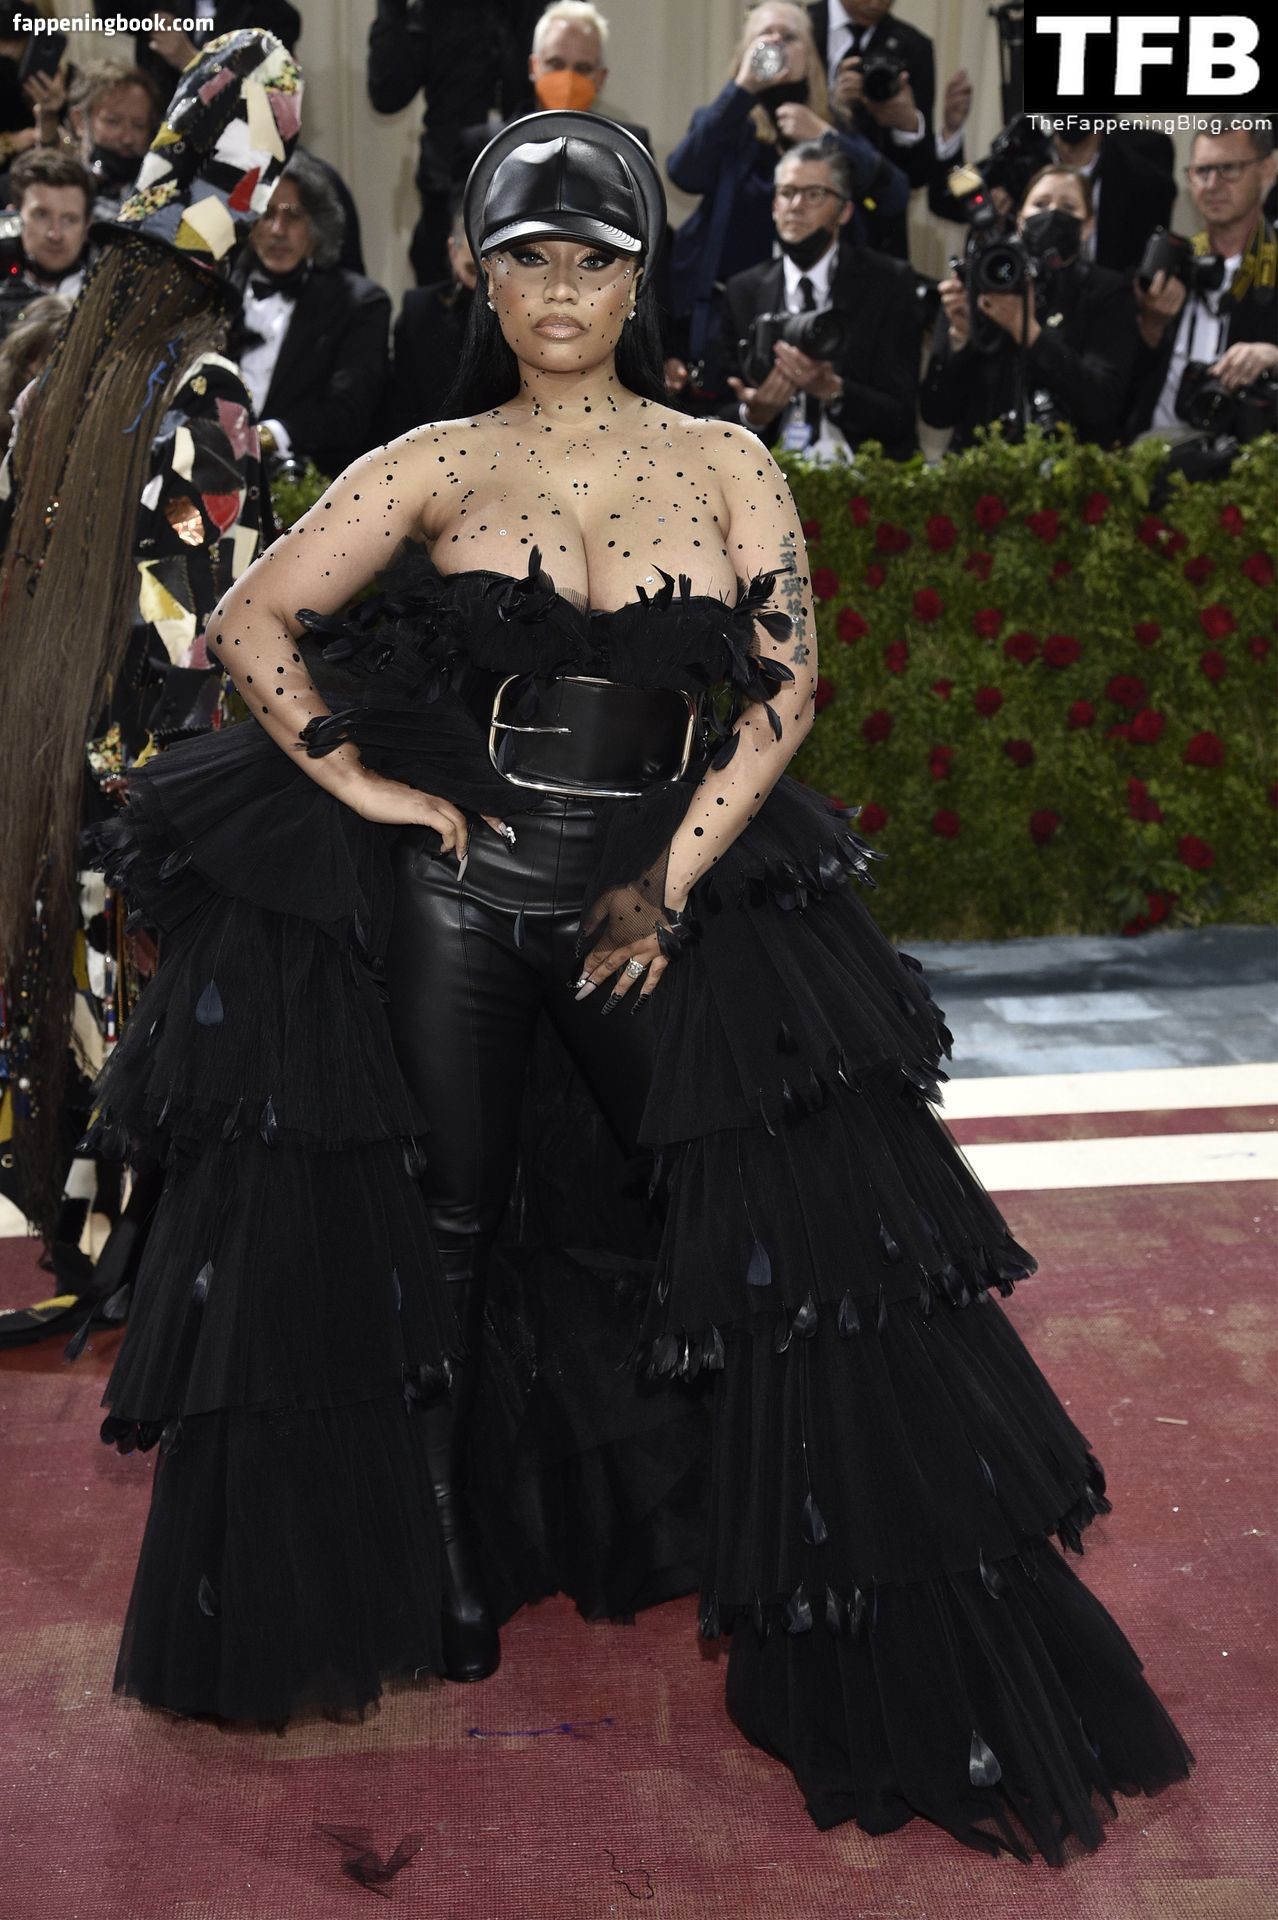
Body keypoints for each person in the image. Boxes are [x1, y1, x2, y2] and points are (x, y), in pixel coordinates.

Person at [80, 106, 1192, 1860]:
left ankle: (798, 1569)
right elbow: (250, 622)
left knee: (759, 1219)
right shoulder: (432, 459)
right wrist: (368, 789)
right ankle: (444, 1563)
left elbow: (783, 693)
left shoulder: (726, 462)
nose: (558, 290)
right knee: (445, 1232)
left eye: (591, 260)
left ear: (635, 278)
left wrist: (662, 884)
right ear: (481, 274)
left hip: (646, 890)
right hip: (459, 902)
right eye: (527, 257)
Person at [0, 27, 299, 1264]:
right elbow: (205, 632)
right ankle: (148, 1248)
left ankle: (89, 1230)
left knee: (76, 992)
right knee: (158, 1008)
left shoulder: (54, 386)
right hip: (161, 787)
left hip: (51, 760)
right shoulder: (206, 390)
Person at [666, 2, 908, 396]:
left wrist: (825, 137)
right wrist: (742, 90)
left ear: (810, 57)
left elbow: (894, 195)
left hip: (822, 314)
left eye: (789, 37)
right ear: (744, 53)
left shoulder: (835, 123)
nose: (776, 42)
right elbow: (683, 174)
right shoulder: (727, 123)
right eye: (765, 35)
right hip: (736, 316)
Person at [723, 139, 920, 460]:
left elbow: (901, 415)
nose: (796, 205)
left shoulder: (888, 283)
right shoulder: (742, 290)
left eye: (814, 194)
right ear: (774, 207)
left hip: (862, 470)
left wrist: (831, 389)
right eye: (786, 193)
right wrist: (754, 414)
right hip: (770, 472)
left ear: (845, 211)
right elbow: (716, 408)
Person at [921, 164, 1137, 451]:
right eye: (1041, 204)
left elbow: (1101, 402)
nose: (1052, 213)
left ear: (1088, 226)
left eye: (1068, 207)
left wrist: (1030, 334)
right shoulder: (984, 278)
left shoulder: (1108, 291)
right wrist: (960, 337)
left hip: (1067, 465)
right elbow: (936, 413)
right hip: (979, 464)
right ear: (1020, 219)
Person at [233, 151, 391, 477]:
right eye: (266, 214)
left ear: (317, 226)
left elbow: (349, 413)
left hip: (309, 484)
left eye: (292, 216)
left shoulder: (359, 303)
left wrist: (267, 436)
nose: (278, 230)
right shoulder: (215, 293)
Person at [1127, 124, 1278, 442]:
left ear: (1267, 170)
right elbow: (1120, 380)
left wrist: (1274, 357)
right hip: (1153, 449)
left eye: (1229, 169)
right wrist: (1151, 326)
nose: (1212, 185)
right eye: (1202, 171)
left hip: (1252, 457)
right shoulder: (1168, 262)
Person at [452, 2, 652, 190]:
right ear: (534, 67)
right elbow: (466, 213)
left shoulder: (630, 149)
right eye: (556, 64)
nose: (568, 79)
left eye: (583, 68)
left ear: (600, 78)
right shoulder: (486, 146)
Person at [813, 0, 939, 259]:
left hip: (878, 238)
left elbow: (919, 176)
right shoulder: (797, 26)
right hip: (802, 219)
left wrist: (907, 126)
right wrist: (830, 107)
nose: (876, 3)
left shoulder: (913, 47)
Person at [383, 199, 476, 440]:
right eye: (473, 271)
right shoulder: (420, 314)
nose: (484, 286)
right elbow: (401, 412)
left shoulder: (524, 316)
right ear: (453, 252)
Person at [0, 149, 92, 342]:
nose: (54, 234)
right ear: (14, 216)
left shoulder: (104, 301)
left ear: (86, 227)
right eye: (41, 215)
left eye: (69, 219)